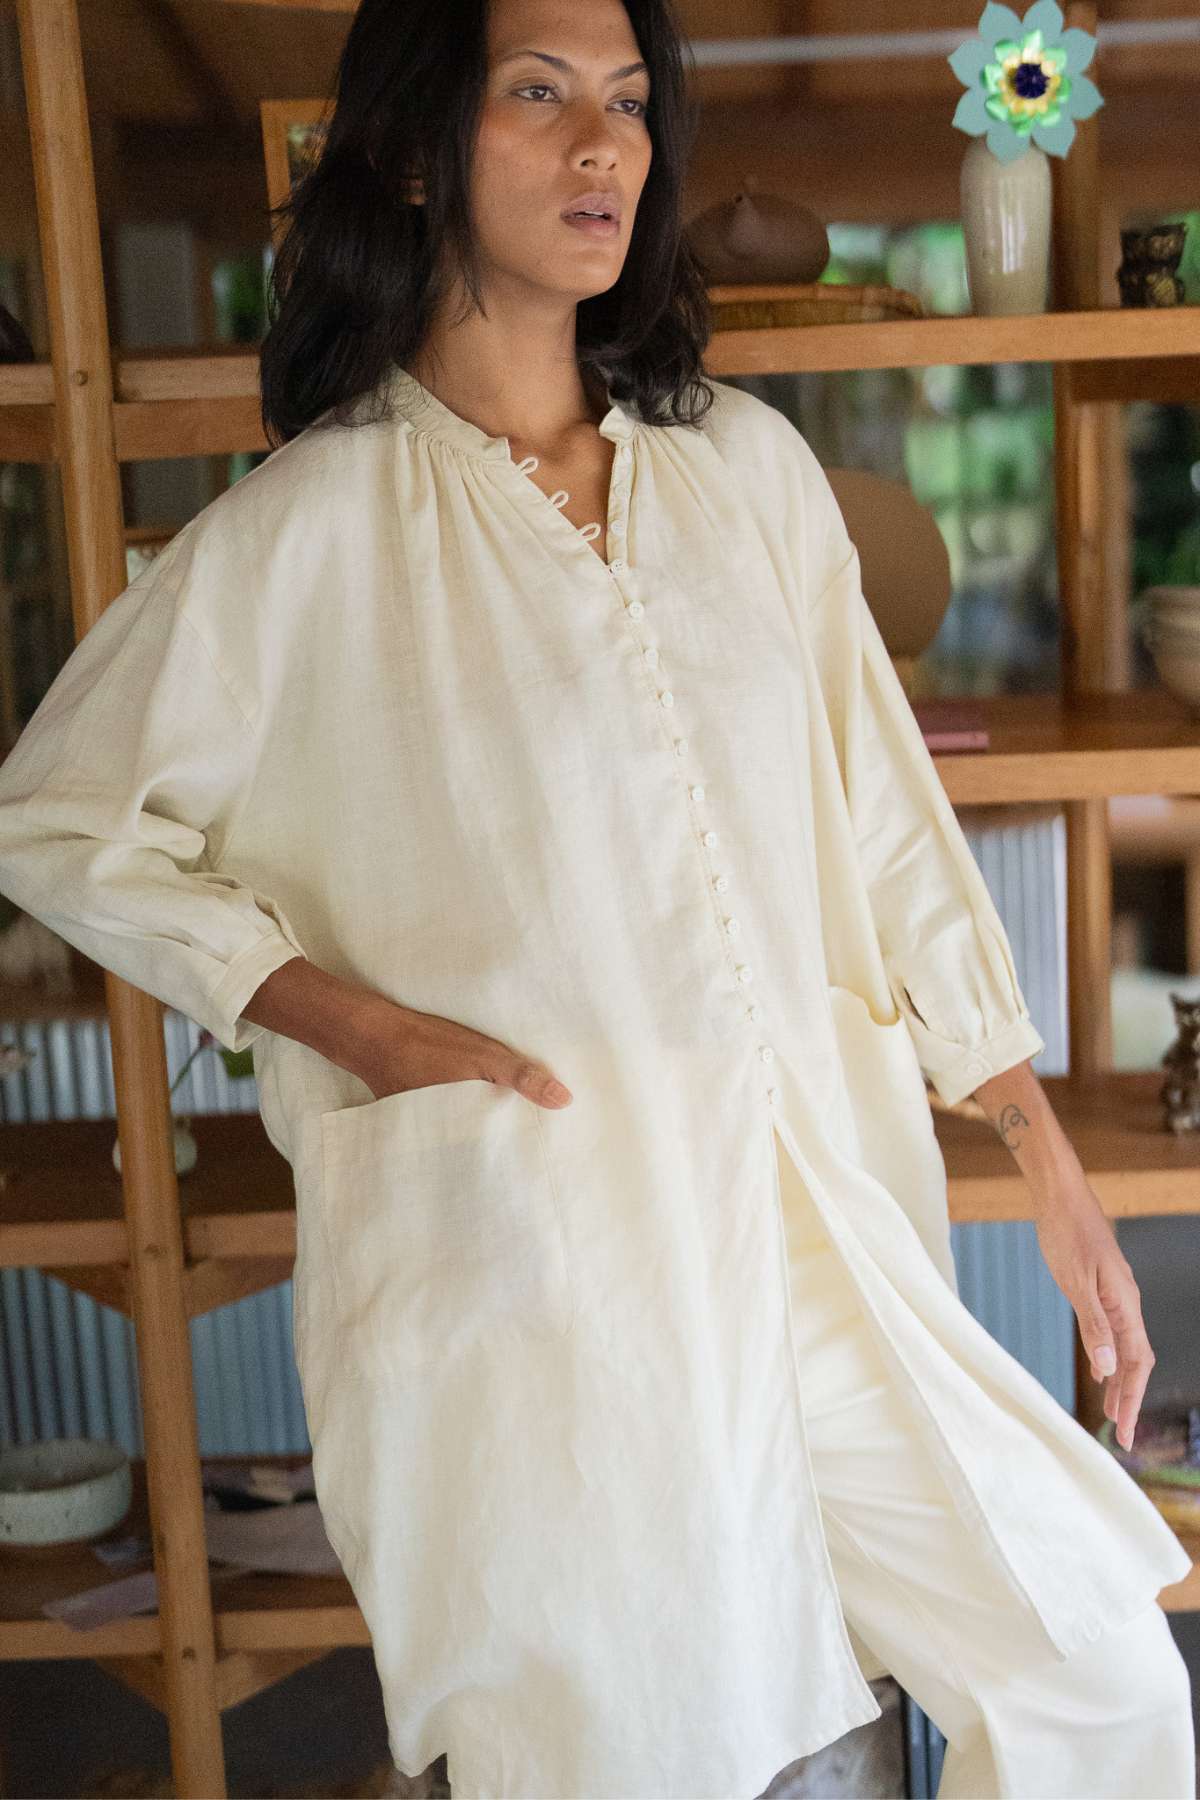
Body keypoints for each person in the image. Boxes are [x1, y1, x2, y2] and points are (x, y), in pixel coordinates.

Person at [0, 0, 1193, 1794]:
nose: (605, 147)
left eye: (629, 103)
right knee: (636, 1737)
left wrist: (1035, 1136)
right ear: (417, 150)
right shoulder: (304, 536)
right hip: (556, 1276)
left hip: (819, 1237)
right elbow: (58, 818)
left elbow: (883, 817)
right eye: (541, 96)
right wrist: (347, 1021)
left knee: (1097, 1666)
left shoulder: (746, 478)